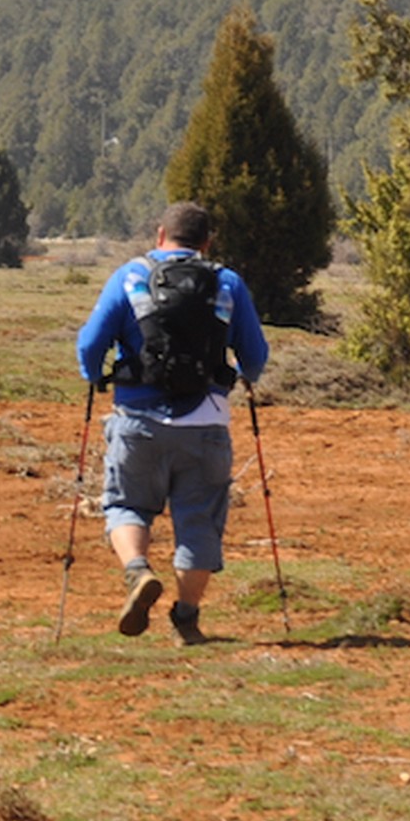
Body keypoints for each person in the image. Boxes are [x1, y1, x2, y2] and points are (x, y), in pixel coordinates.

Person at [74, 201, 268, 645]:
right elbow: (255, 358)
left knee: (126, 505)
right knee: (199, 521)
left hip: (137, 422)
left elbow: (90, 346)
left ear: (160, 234)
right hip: (206, 425)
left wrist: (95, 379)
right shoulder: (227, 284)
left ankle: (138, 571)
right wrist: (237, 376)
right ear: (207, 242)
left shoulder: (128, 277)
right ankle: (187, 619)